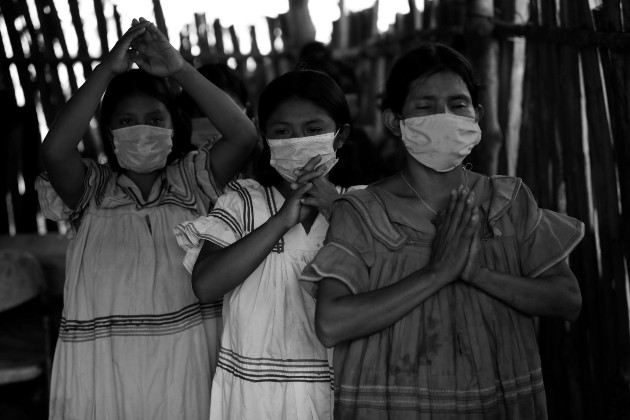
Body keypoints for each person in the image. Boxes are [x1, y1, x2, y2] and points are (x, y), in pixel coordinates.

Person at [301, 43, 584, 419]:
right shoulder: (363, 212)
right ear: (394, 121)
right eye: (425, 106)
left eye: (458, 104)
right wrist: (438, 272)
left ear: (477, 116)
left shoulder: (507, 203)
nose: (445, 116)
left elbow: (567, 299)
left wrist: (475, 273)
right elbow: (331, 323)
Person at [35, 18, 257, 420]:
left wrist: (180, 70)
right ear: (107, 131)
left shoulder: (194, 180)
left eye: (155, 119)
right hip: (108, 368)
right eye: (126, 121)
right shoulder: (92, 190)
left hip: (188, 359)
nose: (141, 130)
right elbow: (54, 152)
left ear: (175, 126)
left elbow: (243, 135)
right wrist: (106, 70)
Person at [175, 69, 359, 419]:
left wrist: (336, 209)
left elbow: (383, 277)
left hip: (333, 397)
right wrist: (281, 222)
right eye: (283, 132)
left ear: (340, 136)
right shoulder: (244, 201)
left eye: (313, 130)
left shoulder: (360, 206)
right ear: (266, 137)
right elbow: (205, 285)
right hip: (253, 401)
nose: (298, 140)